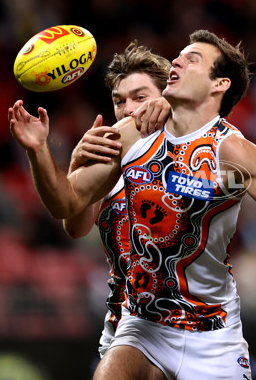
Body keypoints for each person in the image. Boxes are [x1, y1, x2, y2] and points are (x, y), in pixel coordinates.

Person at [8, 29, 256, 380]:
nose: (178, 60)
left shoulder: (234, 152)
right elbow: (67, 205)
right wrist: (38, 150)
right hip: (141, 325)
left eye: (193, 59)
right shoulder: (130, 135)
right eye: (179, 56)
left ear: (219, 84)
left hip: (211, 332)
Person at [62, 41, 173, 358]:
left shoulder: (194, 145)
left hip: (197, 325)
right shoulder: (111, 157)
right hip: (126, 324)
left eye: (140, 97)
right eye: (119, 101)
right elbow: (77, 226)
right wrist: (77, 165)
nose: (128, 110)